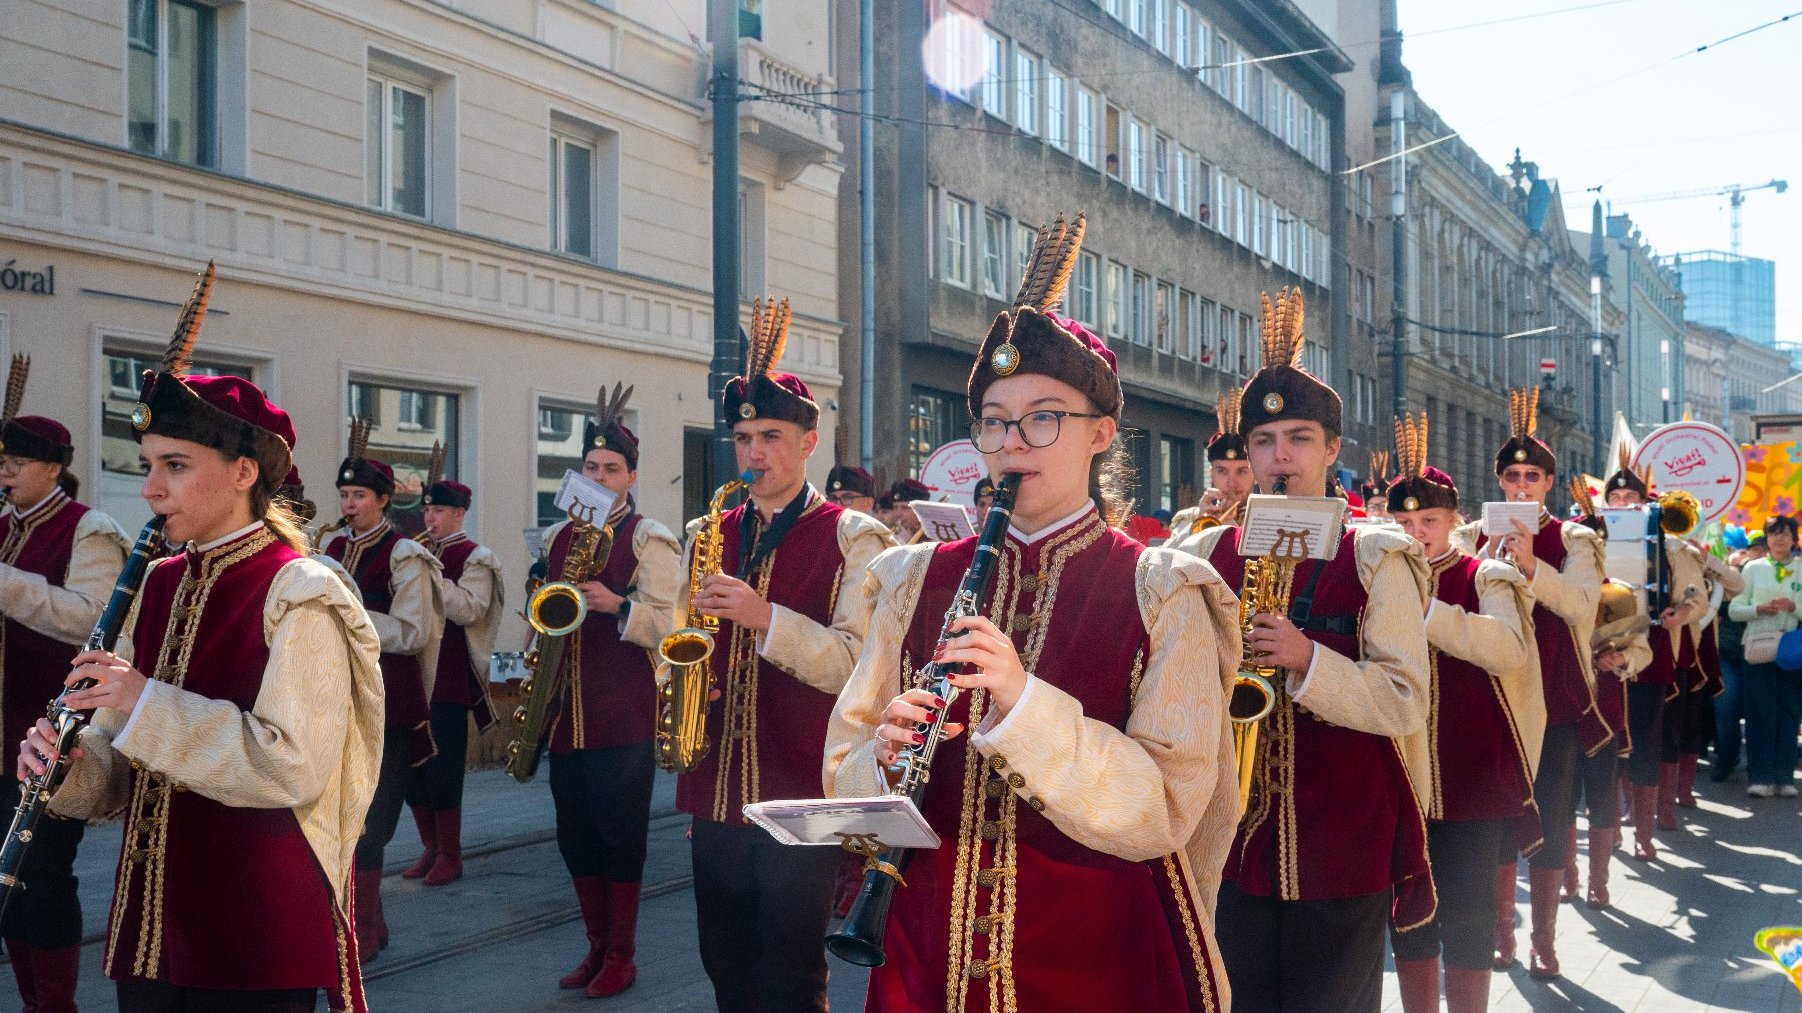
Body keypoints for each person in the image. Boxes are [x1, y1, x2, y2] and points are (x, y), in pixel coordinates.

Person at [826, 213, 1241, 1011]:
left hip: (1096, 962)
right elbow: (842, 767)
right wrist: (880, 756)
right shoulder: (911, 578)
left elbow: (1166, 808)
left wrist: (1023, 703)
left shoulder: (1164, 590)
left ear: (1102, 433)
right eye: (995, 420)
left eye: (1044, 416)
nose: (1014, 441)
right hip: (923, 956)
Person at [24, 266, 382, 1012]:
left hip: (252, 940)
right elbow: (129, 775)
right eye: (148, 466)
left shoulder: (302, 590)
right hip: (152, 933)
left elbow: (292, 767)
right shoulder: (158, 582)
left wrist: (142, 697)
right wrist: (71, 766)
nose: (151, 488)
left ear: (245, 470)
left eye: (175, 466)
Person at [1187, 289, 1432, 1013]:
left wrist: (1306, 658)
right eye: (1263, 442)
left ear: (1332, 448)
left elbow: (1404, 698)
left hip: (1343, 845)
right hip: (1233, 844)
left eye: (1298, 438)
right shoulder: (1204, 552)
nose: (1279, 455)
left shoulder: (1377, 554)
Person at [678, 297, 890, 1011]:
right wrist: (679, 683)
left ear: (808, 441)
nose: (754, 453)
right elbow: (679, 641)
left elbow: (858, 666)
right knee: (726, 965)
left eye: (770, 435)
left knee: (794, 977)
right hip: (715, 787)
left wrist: (766, 618)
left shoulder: (855, 538)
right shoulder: (707, 530)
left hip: (806, 788)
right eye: (743, 437)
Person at [1385, 414, 1542, 1013]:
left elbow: (1507, 649)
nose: (1416, 532)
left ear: (1453, 521)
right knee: (1409, 912)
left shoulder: (1486, 574)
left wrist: (1426, 610)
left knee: (1470, 912)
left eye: (1427, 521)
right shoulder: (1376, 573)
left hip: (1471, 777)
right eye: (1401, 522)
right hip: (1400, 774)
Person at [1456, 388, 1604, 980]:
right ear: (1499, 480)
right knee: (1495, 822)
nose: (1521, 485)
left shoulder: (1574, 539)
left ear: (1547, 483)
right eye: (1512, 475)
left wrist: (1529, 566)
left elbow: (1580, 604)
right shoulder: (1470, 536)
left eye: (1532, 476)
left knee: (1550, 819)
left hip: (1558, 702)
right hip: (1494, 699)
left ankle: (1544, 937)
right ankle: (1502, 934)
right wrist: (1488, 561)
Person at [540, 383, 681, 998]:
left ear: (631, 477)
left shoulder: (650, 537)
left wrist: (617, 604)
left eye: (611, 468)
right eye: (591, 467)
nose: (600, 475)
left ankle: (622, 954)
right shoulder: (559, 536)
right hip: (566, 711)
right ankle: (595, 946)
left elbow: (673, 622)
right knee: (574, 836)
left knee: (620, 834)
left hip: (622, 710)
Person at [0, 354, 130, 1011]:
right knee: (4, 885)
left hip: (59, 733)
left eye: (15, 462)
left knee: (41, 876)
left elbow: (90, 620)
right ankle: (31, 999)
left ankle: (56, 1003)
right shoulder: (4, 529)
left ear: (53, 464)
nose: (3, 472)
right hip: (2, 736)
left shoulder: (89, 528)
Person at [321, 418, 444, 961]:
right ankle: (367, 920)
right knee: (336, 815)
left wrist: (352, 616)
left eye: (360, 496)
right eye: (345, 495)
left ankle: (362, 933)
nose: (349, 505)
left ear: (384, 500)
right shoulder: (329, 545)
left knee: (370, 823)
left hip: (385, 707)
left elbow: (416, 631)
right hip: (332, 700)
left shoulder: (403, 555)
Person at [400, 443, 503, 888]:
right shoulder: (420, 552)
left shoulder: (476, 558)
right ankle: (430, 847)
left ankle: (451, 853)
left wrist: (432, 576)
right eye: (427, 512)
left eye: (439, 512)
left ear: (459, 514)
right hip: (412, 677)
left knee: (443, 768)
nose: (430, 520)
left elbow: (470, 610)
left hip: (449, 680)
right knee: (410, 770)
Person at [1598, 460, 1705, 861]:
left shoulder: (1670, 544)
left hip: (1653, 648)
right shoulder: (1590, 538)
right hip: (1602, 648)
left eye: (1631, 497)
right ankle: (1617, 821)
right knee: (1607, 739)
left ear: (1645, 502)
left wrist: (1681, 612)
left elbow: (1696, 595)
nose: (1623, 503)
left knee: (1646, 736)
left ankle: (1646, 829)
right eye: (1616, 497)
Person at [1727, 514, 1802, 798]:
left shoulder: (1800, 568)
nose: (1779, 539)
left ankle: (1785, 777)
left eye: (1785, 534)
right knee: (1760, 713)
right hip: (1758, 647)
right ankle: (1760, 776)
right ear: (1766, 539)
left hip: (1791, 650)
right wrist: (1758, 610)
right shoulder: (1752, 568)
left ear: (1794, 539)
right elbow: (1735, 609)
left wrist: (1793, 606)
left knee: (1788, 712)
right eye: (1773, 534)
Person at [1170, 389, 1253, 541]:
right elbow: (1164, 560)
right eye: (1222, 471)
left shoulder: (1267, 520)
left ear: (1255, 475)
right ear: (1211, 474)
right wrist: (1197, 524)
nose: (1231, 482)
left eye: (1241, 471)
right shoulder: (1188, 518)